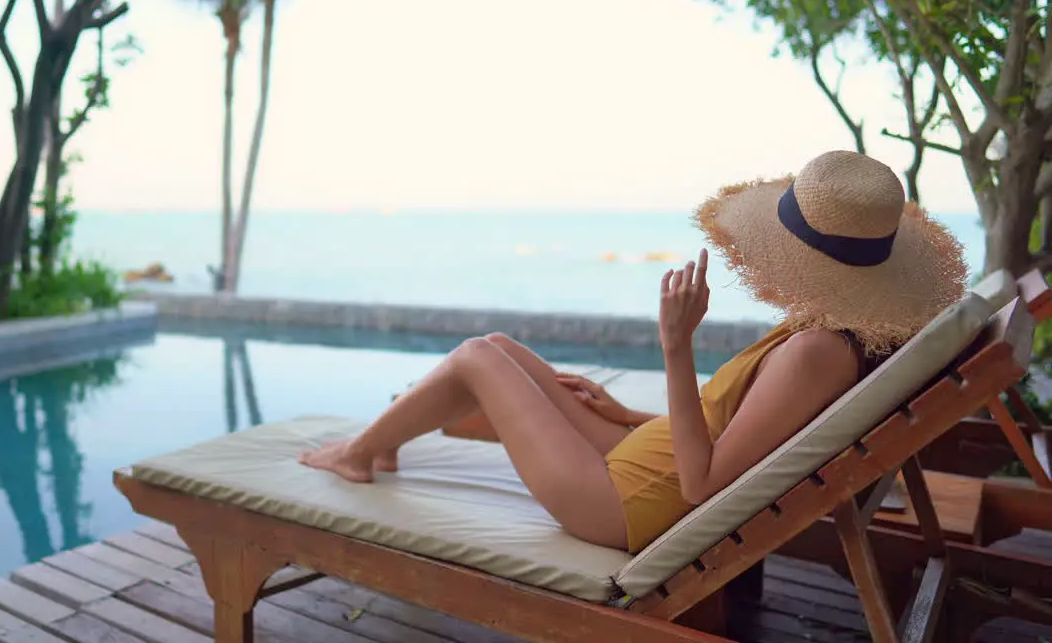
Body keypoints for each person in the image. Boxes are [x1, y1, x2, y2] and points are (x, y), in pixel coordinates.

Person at [299, 151, 968, 553]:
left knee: (478, 355)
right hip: (641, 460)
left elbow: (706, 484)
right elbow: (733, 437)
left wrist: (677, 349)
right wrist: (623, 417)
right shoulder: (831, 330)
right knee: (502, 347)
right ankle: (381, 445)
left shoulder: (815, 353)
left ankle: (357, 455)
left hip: (623, 503)